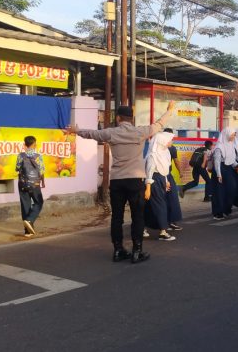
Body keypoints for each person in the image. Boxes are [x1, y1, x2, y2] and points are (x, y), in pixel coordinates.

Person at [66, 101, 176, 264]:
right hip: (136, 180)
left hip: (117, 181)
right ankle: (137, 251)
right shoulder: (141, 132)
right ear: (131, 119)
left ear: (118, 118)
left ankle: (118, 250)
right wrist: (169, 111)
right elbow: (159, 124)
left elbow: (92, 134)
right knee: (137, 216)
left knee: (117, 217)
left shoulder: (111, 133)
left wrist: (77, 131)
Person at [143, 131, 177, 241]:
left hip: (161, 179)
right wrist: (148, 188)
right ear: (163, 142)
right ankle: (163, 231)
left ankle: (142, 227)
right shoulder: (153, 155)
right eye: (169, 140)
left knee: (149, 207)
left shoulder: (165, 152)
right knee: (161, 205)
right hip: (153, 181)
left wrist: (166, 181)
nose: (171, 141)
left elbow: (165, 169)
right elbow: (149, 172)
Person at [16, 135, 45, 238]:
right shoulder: (38, 156)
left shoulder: (20, 156)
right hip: (35, 185)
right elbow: (41, 171)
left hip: (23, 184)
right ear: (34, 144)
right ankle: (30, 220)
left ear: (25, 144)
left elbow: (17, 168)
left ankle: (27, 232)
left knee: (25, 206)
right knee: (39, 202)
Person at [210, 128, 238, 220]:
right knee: (219, 192)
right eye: (232, 134)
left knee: (232, 188)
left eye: (234, 135)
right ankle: (218, 213)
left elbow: (231, 159)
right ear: (227, 134)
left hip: (228, 169)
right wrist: (219, 174)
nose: (234, 136)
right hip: (220, 170)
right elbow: (217, 161)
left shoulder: (231, 145)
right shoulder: (219, 147)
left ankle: (226, 209)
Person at [163, 128, 183, 231]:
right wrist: (180, 172)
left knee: (164, 199)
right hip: (164, 176)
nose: (172, 140)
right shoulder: (169, 148)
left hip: (163, 176)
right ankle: (169, 222)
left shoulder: (170, 148)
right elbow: (176, 161)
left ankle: (167, 222)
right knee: (172, 198)